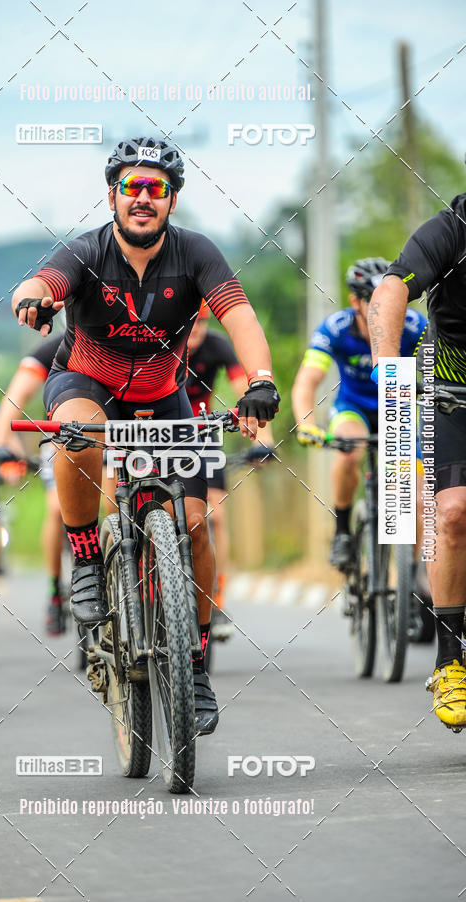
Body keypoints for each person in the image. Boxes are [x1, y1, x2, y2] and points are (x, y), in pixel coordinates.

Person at [10, 136, 280, 735]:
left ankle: (195, 663)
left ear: (171, 200)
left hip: (162, 396)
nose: (143, 197)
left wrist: (261, 380)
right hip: (88, 383)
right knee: (80, 433)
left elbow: (240, 316)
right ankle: (86, 555)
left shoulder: (196, 253)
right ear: (112, 195)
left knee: (196, 526)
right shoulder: (86, 251)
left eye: (156, 188)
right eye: (131, 186)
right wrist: (34, 302)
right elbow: (39, 285)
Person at [368, 192, 466, 729]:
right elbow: (390, 290)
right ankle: (450, 661)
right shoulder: (453, 227)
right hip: (448, 385)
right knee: (450, 512)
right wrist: (389, 372)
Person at [292, 258, 426, 568]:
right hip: (353, 408)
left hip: (398, 409)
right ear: (355, 302)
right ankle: (342, 531)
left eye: (393, 299)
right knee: (349, 450)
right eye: (376, 301)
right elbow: (306, 382)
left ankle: (411, 576)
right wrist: (306, 424)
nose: (387, 308)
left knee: (416, 497)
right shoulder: (336, 328)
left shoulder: (414, 326)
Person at [185, 302, 274, 640]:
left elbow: (244, 389)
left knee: (216, 517)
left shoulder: (217, 345)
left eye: (202, 324)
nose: (195, 331)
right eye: (190, 324)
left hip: (202, 432)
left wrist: (263, 439)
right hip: (155, 429)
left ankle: (216, 598)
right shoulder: (160, 341)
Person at [0, 335, 67, 634]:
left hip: (115, 437)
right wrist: (5, 447)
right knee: (57, 510)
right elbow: (12, 402)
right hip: (67, 437)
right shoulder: (54, 348)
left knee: (117, 507)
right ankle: (55, 589)